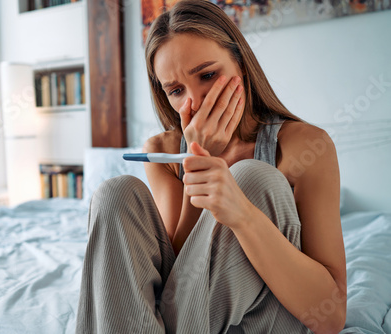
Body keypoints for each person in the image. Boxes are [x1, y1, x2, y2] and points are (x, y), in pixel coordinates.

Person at [75, 1, 347, 333]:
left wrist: (242, 214)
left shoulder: (304, 146)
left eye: (207, 75)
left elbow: (331, 317)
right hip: (184, 317)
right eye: (176, 90)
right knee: (114, 193)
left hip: (263, 319)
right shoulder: (162, 151)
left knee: (252, 178)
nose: (197, 100)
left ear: (241, 65)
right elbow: (177, 284)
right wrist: (198, 169)